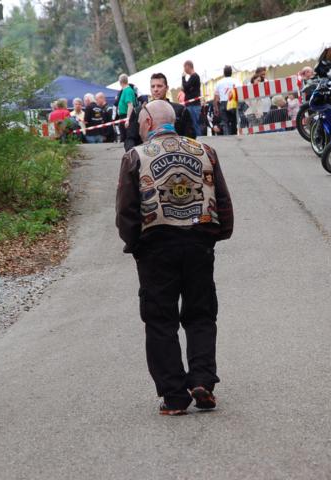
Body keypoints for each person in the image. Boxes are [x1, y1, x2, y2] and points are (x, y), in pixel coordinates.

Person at [115, 100, 234, 416]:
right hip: (199, 244)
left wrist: (134, 244)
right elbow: (222, 199)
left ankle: (174, 396)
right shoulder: (205, 152)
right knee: (201, 315)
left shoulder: (135, 156)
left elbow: (126, 210)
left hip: (156, 247)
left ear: (148, 122)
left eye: (140, 123)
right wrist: (217, 235)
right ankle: (202, 382)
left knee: (159, 321)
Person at [124, 72, 195, 152]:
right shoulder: (139, 111)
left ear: (167, 88)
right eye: (153, 86)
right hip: (147, 155)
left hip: (175, 154)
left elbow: (190, 138)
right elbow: (130, 139)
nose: (155, 89)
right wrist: (134, 154)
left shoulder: (180, 110)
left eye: (159, 86)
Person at [212, 65, 238, 135]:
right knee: (234, 122)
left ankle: (227, 138)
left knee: (225, 123)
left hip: (223, 103)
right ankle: (234, 136)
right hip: (233, 103)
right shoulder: (236, 81)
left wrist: (216, 108)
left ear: (224, 73)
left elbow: (216, 97)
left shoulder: (219, 82)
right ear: (231, 72)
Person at [182, 60, 202, 137]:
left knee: (195, 124)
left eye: (184, 67)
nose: (184, 70)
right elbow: (186, 88)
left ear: (188, 66)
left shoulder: (194, 76)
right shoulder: (193, 77)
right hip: (192, 104)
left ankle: (199, 139)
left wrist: (183, 78)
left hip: (193, 105)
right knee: (193, 124)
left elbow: (185, 87)